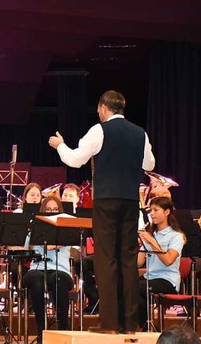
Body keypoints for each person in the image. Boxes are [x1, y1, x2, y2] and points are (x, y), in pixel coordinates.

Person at [48, 90, 155, 333]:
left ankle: (109, 323)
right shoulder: (140, 133)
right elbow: (149, 164)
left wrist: (60, 145)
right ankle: (129, 324)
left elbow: (76, 160)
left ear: (104, 107)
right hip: (130, 201)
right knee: (128, 260)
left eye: (99, 109)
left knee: (106, 259)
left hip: (106, 200)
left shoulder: (100, 130)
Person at [23, 195, 74, 335]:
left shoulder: (67, 225)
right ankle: (42, 330)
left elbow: (52, 246)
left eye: (55, 209)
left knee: (59, 279)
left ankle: (63, 330)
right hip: (37, 269)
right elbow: (24, 245)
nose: (52, 212)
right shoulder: (35, 224)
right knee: (38, 279)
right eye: (48, 209)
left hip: (60, 270)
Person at [136, 197, 185, 330]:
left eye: (156, 210)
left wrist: (151, 241)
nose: (152, 213)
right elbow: (139, 262)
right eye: (150, 210)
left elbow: (168, 260)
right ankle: (141, 325)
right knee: (125, 285)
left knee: (138, 288)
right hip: (149, 277)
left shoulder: (176, 236)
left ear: (167, 212)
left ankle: (145, 327)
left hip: (167, 279)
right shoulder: (151, 234)